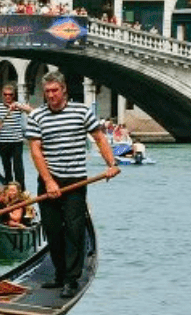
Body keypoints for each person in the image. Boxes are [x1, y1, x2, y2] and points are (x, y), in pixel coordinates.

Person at [27, 71, 121, 299]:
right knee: (52, 230)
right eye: (47, 92)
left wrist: (111, 163)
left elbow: (99, 138)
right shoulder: (36, 116)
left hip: (76, 181)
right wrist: (49, 182)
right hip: (49, 181)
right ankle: (59, 274)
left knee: (74, 230)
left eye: (54, 91)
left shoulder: (81, 112)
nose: (51, 95)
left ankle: (71, 279)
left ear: (64, 89)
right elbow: (36, 150)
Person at [0, 84, 32, 189]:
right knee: (7, 168)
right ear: (2, 95)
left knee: (18, 168)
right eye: (5, 95)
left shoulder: (18, 106)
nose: (8, 97)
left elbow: (31, 110)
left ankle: (21, 191)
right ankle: (9, 190)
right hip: (3, 142)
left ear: (13, 95)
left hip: (17, 141)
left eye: (10, 95)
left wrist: (18, 106)